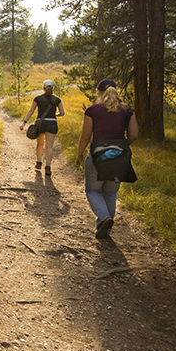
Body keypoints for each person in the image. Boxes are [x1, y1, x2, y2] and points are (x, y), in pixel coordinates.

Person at [75, 79, 139, 239]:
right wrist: (123, 146)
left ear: (98, 92)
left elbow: (85, 136)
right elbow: (134, 135)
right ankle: (105, 229)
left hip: (97, 156)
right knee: (110, 193)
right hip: (118, 157)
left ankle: (104, 218)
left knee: (93, 190)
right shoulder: (127, 110)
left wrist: (79, 153)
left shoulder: (92, 110)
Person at [20, 79, 65, 175]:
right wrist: (55, 115)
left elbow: (31, 111)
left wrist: (24, 122)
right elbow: (62, 113)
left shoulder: (38, 98)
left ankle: (39, 162)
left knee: (40, 144)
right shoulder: (57, 100)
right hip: (52, 124)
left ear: (43, 88)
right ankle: (48, 167)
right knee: (49, 147)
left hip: (40, 124)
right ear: (52, 88)